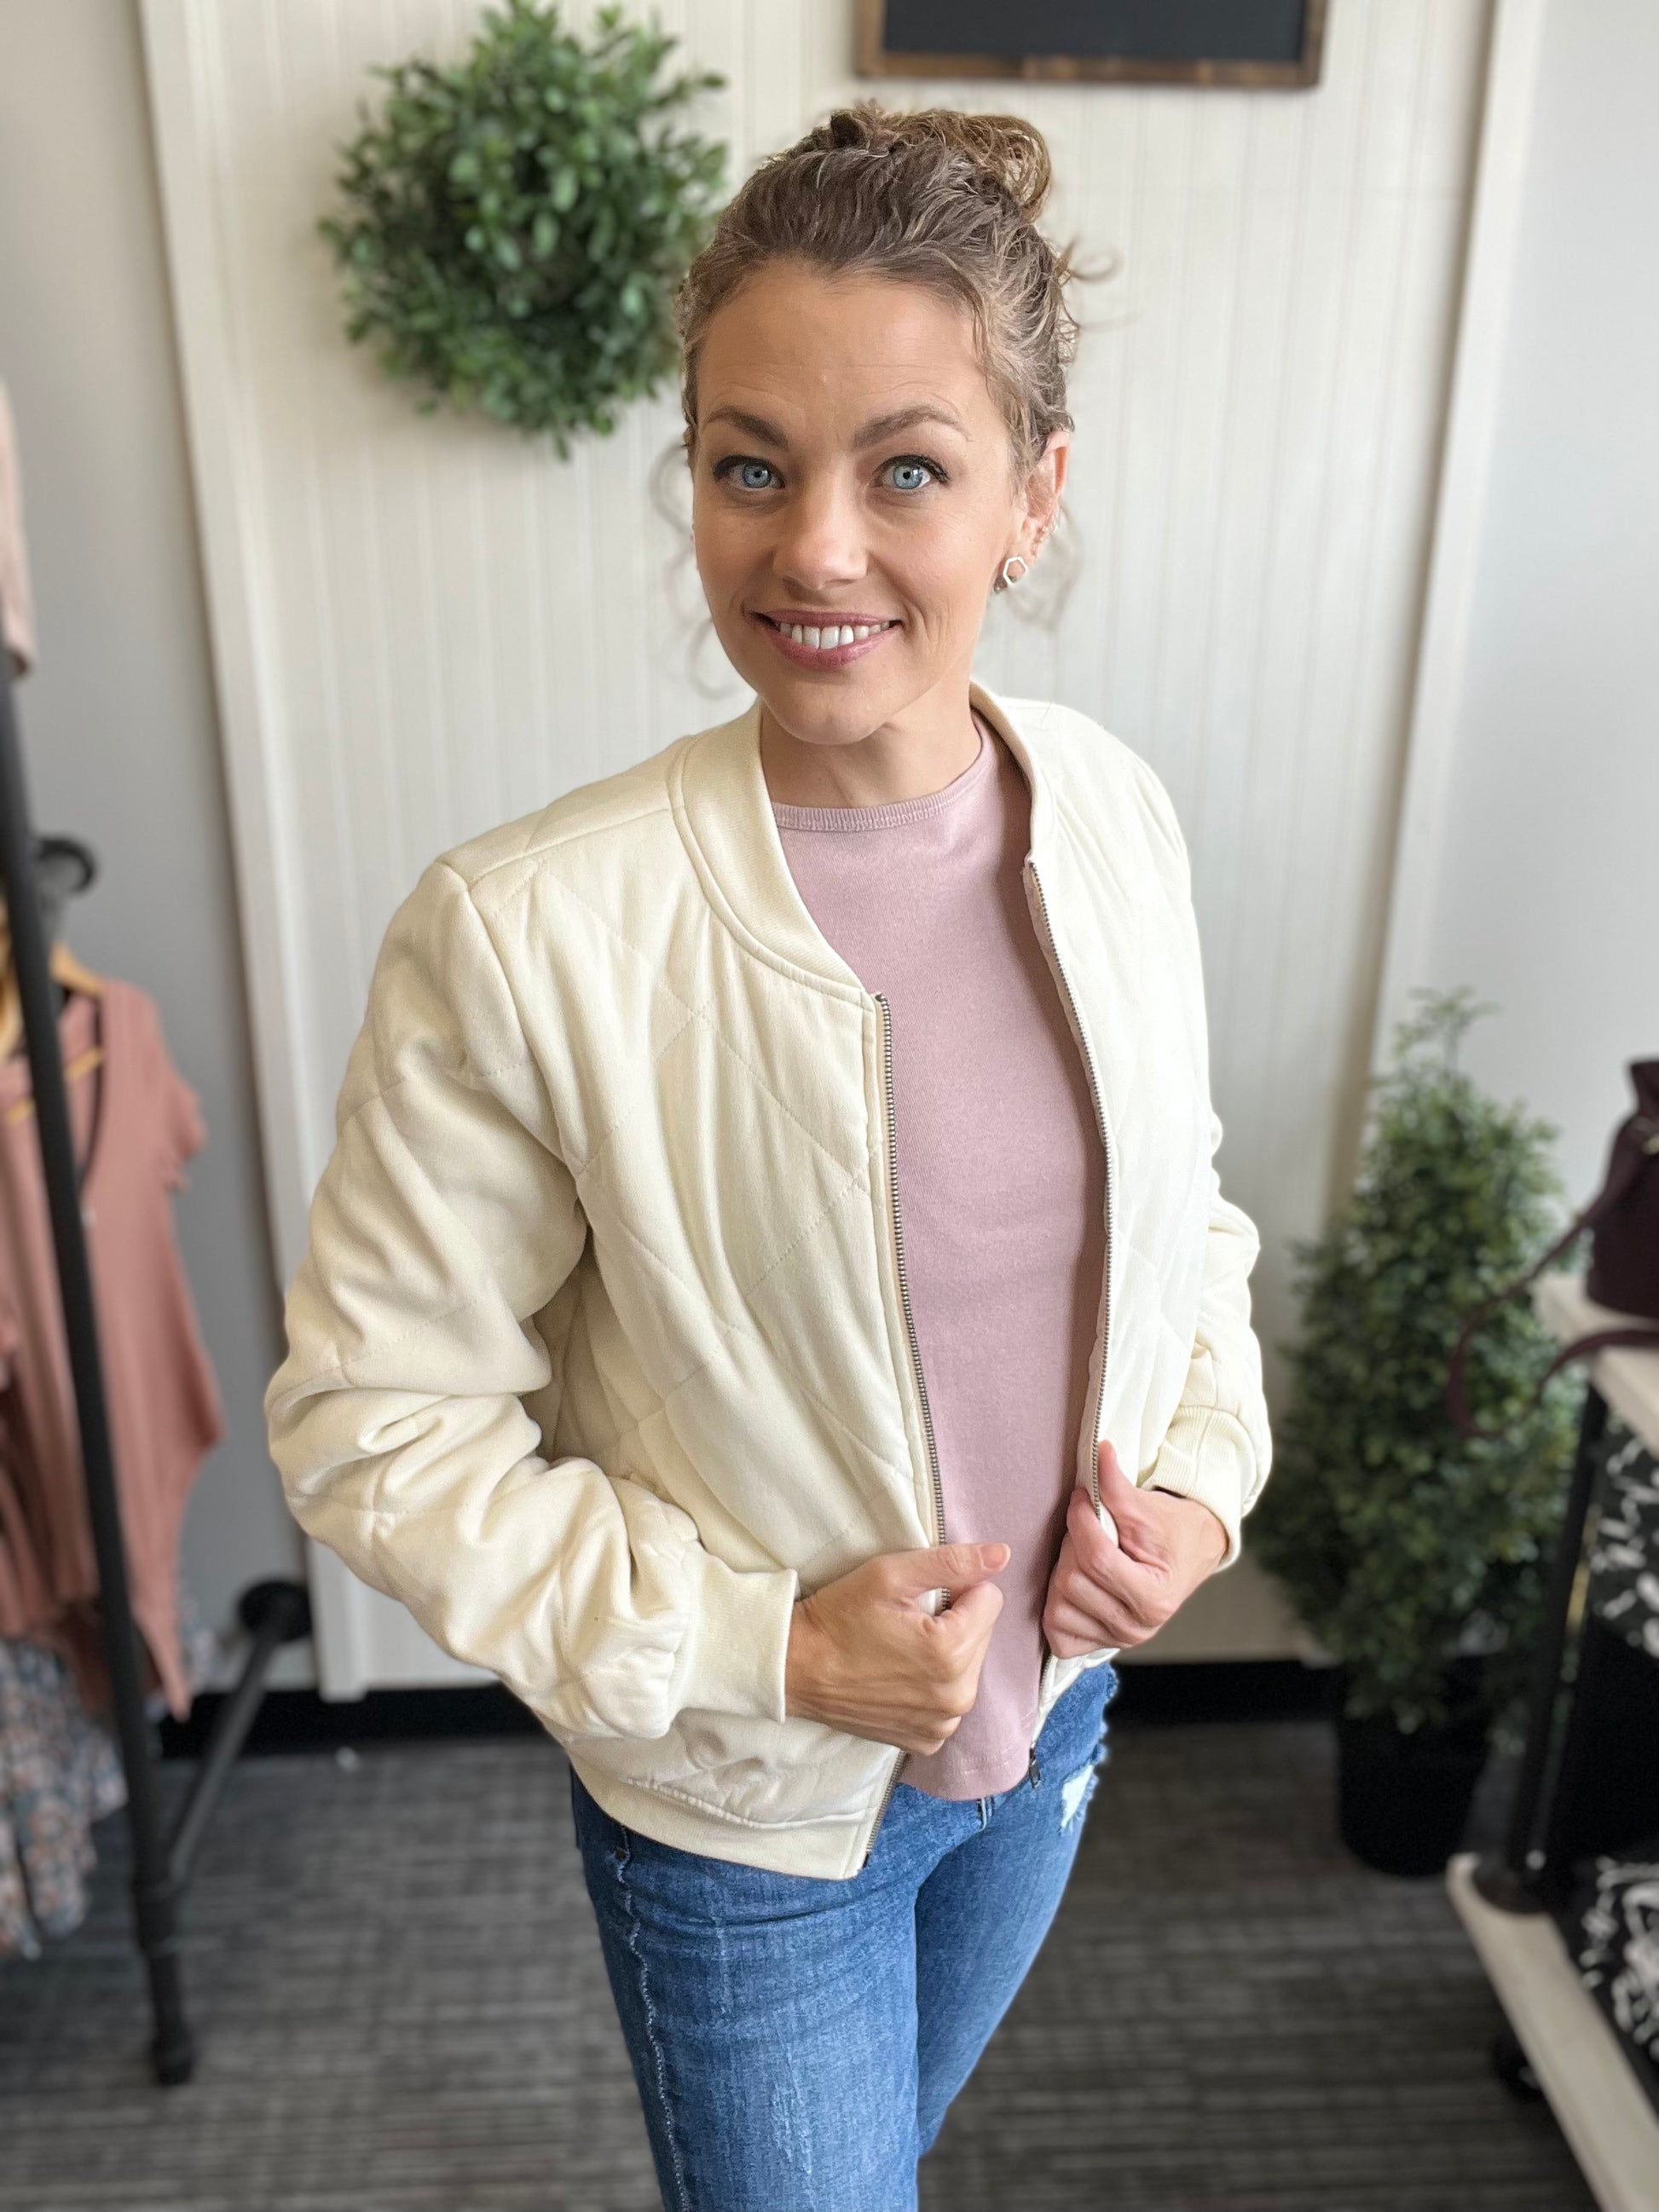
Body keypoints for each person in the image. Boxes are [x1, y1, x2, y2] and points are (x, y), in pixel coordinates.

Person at [265, 101, 1271, 2212]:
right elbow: (373, 1425)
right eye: (750, 465)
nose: (813, 547)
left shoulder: (1111, 811)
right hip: (746, 1818)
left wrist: (1194, 1487)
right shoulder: (529, 928)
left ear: (1031, 496)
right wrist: (773, 1648)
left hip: (1050, 1735)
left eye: (905, 467)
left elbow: (1188, 1228)